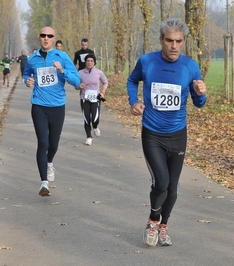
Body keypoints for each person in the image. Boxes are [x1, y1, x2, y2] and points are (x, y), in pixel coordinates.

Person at [126, 18, 207, 247]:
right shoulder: (147, 62)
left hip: (178, 134)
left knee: (173, 187)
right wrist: (134, 101)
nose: (174, 46)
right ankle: (153, 220)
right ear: (161, 39)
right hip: (152, 133)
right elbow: (132, 80)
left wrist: (201, 93)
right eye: (169, 40)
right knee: (160, 182)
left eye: (178, 41)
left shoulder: (190, 66)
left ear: (183, 42)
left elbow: (199, 103)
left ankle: (164, 225)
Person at [24, 27, 81, 197]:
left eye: (49, 36)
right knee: (43, 142)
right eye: (43, 35)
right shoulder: (32, 59)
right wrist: (28, 80)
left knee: (53, 144)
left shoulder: (62, 57)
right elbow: (26, 75)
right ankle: (44, 183)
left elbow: (77, 80)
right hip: (39, 106)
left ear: (54, 38)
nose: (46, 38)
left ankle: (49, 162)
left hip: (57, 106)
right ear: (39, 38)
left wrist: (62, 71)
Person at [77, 53, 108, 146]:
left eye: (91, 61)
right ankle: (89, 137)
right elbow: (76, 85)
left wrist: (102, 92)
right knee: (86, 119)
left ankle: (95, 127)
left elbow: (105, 83)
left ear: (94, 62)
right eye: (88, 61)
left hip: (96, 99)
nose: (89, 62)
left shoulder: (99, 72)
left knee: (95, 118)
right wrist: (79, 86)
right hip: (84, 99)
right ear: (85, 62)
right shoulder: (80, 73)